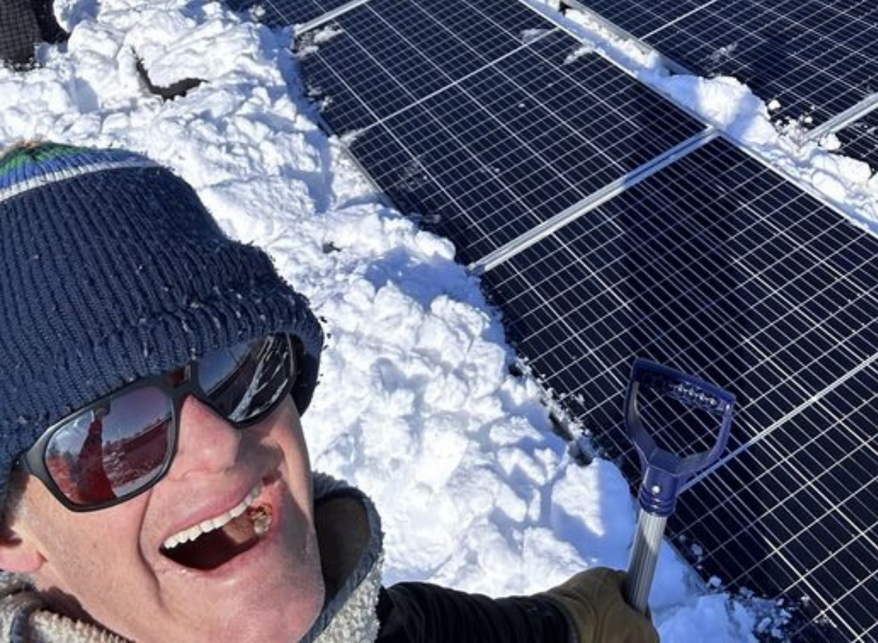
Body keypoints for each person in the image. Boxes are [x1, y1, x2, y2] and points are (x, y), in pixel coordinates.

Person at [0, 140, 660, 643]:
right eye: (112, 433)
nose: (219, 442)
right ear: (9, 532)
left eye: (240, 365)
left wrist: (580, 619)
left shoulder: (385, 623)